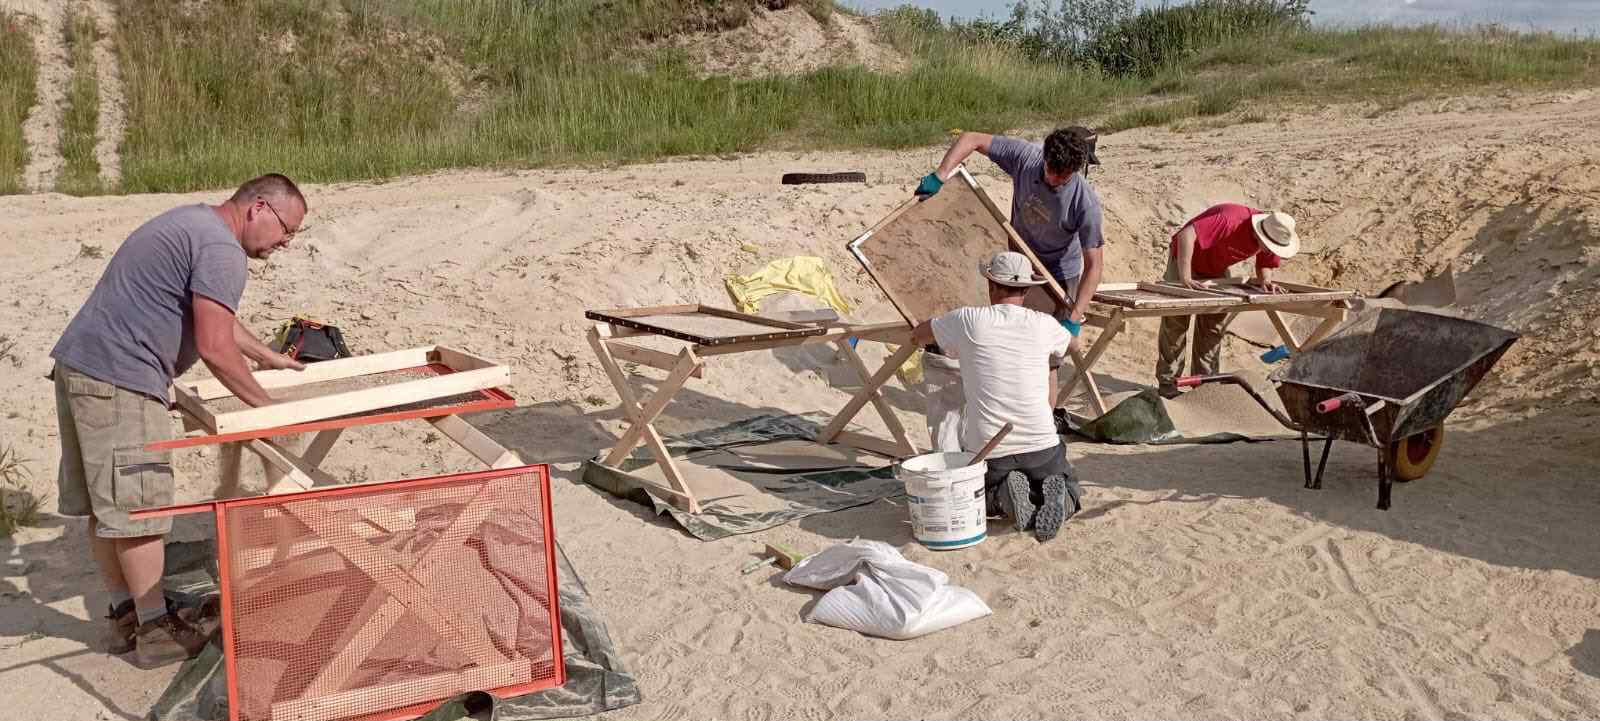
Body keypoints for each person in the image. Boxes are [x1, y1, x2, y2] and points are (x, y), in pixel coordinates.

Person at [49, 173, 308, 668]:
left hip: (83, 366)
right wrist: (269, 409)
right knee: (139, 508)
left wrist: (266, 357)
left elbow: (216, 316)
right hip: (122, 377)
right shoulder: (223, 250)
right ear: (259, 207)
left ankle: (127, 612)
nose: (285, 243)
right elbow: (214, 345)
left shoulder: (196, 224)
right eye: (286, 230)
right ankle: (155, 630)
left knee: (107, 506)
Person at [912, 252, 1083, 542]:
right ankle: (1061, 496)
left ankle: (1003, 495)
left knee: (980, 495)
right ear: (1026, 290)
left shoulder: (967, 319)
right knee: (1068, 485)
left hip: (992, 452)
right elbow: (1075, 345)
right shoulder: (1043, 324)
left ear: (991, 285)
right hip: (1042, 447)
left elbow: (919, 335)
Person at [916, 126, 1105, 338]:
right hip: (1019, 263)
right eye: (1050, 170)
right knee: (1010, 331)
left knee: (1050, 344)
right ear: (1045, 157)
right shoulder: (1026, 157)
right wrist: (940, 175)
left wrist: (1074, 319)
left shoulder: (1085, 203)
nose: (1053, 179)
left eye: (1063, 177)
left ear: (1075, 171)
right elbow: (972, 139)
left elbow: (1094, 266)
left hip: (1057, 275)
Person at [1155, 203, 1301, 398]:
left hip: (1216, 267)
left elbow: (1266, 264)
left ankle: (1205, 385)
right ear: (1260, 233)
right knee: (1176, 323)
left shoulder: (1275, 232)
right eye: (1268, 246)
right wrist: (1185, 277)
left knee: (1213, 327)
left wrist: (1266, 281)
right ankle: (1168, 386)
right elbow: (1186, 235)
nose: (1269, 250)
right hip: (1186, 260)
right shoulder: (1231, 219)